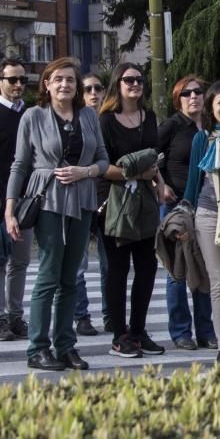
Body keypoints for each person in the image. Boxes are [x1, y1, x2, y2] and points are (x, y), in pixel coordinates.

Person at [5, 57, 109, 370]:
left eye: (70, 80)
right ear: (47, 84)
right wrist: (10, 209)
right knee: (49, 275)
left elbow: (104, 160)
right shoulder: (33, 116)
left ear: (77, 87)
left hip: (83, 201)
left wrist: (85, 171)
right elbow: (20, 164)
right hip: (47, 201)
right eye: (58, 79)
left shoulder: (89, 116)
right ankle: (37, 348)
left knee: (71, 279)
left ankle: (66, 346)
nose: (65, 84)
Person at [99, 62, 167, 358]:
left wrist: (160, 184)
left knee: (147, 267)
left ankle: (138, 332)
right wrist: (135, 175)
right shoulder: (105, 120)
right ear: (118, 83)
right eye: (129, 80)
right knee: (117, 269)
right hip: (114, 201)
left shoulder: (148, 117)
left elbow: (153, 159)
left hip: (144, 201)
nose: (135, 84)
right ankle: (119, 335)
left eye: (139, 80)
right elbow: (102, 166)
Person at [183, 80, 220, 367]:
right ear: (211, 107)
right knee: (218, 283)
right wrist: (186, 212)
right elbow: (194, 182)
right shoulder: (201, 138)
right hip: (207, 215)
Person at [158, 75, 215, 351]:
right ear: (178, 99)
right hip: (176, 208)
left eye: (198, 92)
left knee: (204, 270)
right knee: (177, 271)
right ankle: (181, 331)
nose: (193, 97)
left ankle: (206, 330)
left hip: (205, 207)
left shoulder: (211, 126)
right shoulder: (171, 126)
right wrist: (162, 184)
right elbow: (150, 158)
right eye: (186, 93)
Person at [74, 73, 110, 336]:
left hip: (108, 199)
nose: (94, 93)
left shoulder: (110, 120)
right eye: (88, 88)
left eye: (98, 88)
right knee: (79, 262)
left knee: (110, 265)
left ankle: (111, 315)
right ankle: (81, 315)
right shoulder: (74, 122)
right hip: (80, 199)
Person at [0, 57, 29, 341]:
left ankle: (15, 316)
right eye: (12, 80)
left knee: (20, 262)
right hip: (1, 201)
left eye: (23, 80)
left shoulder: (31, 114)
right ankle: (0, 319)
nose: (19, 85)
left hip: (26, 201)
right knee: (0, 261)